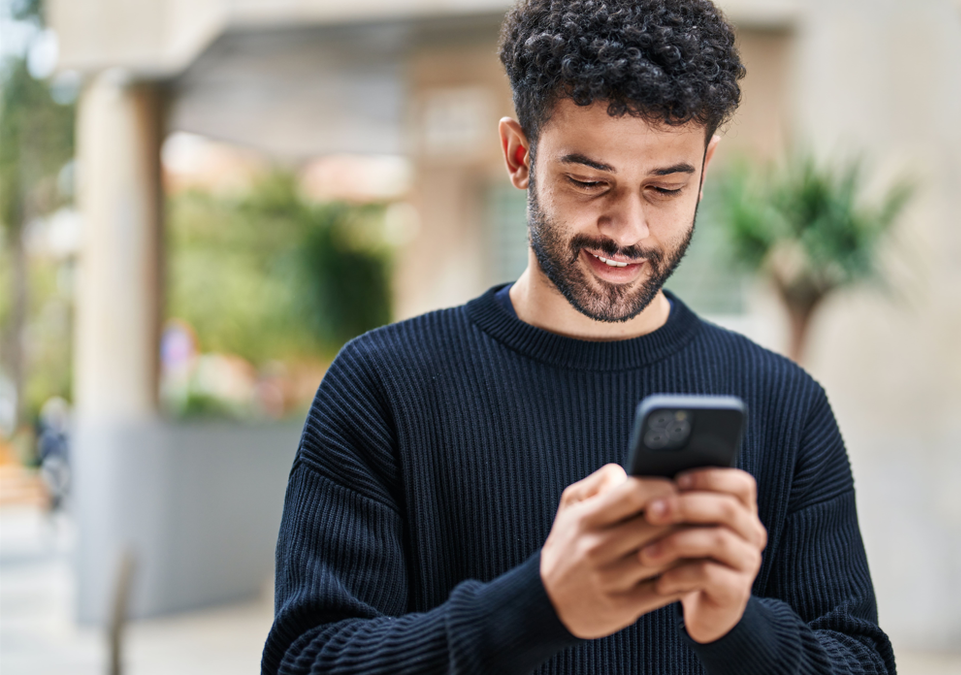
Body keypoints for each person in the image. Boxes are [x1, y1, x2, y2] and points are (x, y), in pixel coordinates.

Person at [262, 0, 894, 673]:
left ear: (706, 171)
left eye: (665, 187)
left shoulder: (787, 407)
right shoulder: (381, 388)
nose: (627, 229)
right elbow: (307, 660)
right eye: (589, 181)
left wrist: (739, 626)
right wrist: (536, 606)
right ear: (518, 154)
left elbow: (858, 661)